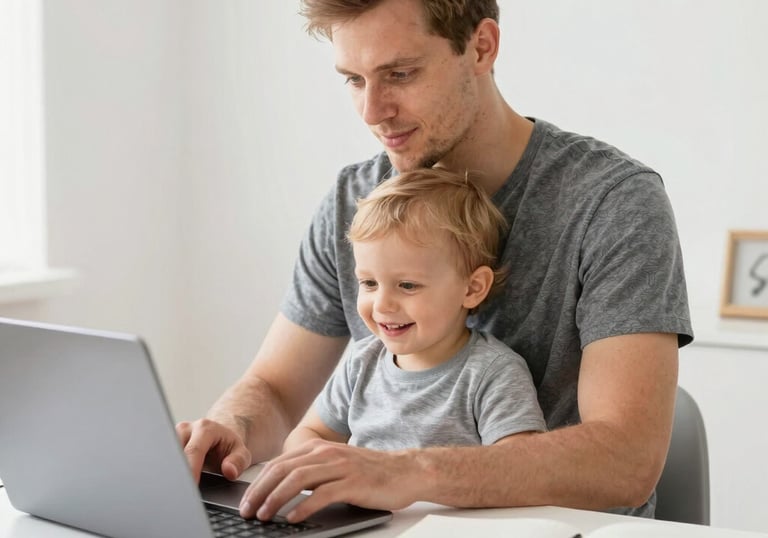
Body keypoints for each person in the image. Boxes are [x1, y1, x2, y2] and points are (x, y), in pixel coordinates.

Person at [176, 0, 693, 524]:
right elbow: (278, 393)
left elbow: (625, 461)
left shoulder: (613, 202)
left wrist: (403, 471)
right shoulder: (353, 199)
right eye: (353, 80)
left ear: (482, 47)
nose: (372, 111)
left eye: (399, 74)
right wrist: (229, 429)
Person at [283, 168, 546, 454]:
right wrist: (316, 459)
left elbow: (518, 464)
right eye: (369, 283)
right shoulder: (361, 363)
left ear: (471, 289)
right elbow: (310, 433)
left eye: (407, 285)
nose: (382, 304)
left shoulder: (493, 373)